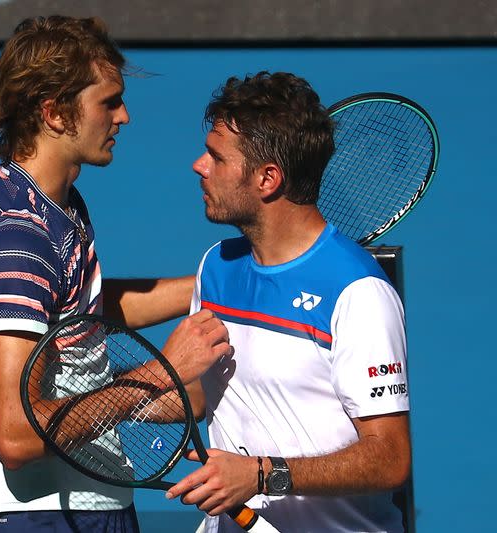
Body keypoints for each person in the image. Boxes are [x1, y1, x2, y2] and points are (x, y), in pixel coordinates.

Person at [0, 15, 230, 532]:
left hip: (87, 507)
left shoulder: (55, 206)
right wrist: (159, 374)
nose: (124, 117)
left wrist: (211, 286)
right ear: (55, 113)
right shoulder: (18, 243)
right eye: (108, 101)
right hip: (50, 520)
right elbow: (14, 435)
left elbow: (82, 313)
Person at [165, 72, 412, 532]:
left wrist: (262, 474)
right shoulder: (216, 267)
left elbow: (390, 458)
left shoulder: (359, 292)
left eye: (217, 158)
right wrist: (111, 399)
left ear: (267, 178)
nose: (199, 166)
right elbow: (202, 396)